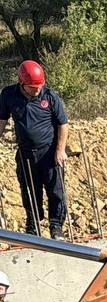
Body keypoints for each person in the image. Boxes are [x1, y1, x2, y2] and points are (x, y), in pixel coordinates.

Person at [0, 60, 69, 239]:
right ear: (22, 83)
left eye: (39, 86)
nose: (37, 89)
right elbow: (2, 120)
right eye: (32, 87)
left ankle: (56, 226)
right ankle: (33, 226)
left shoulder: (50, 97)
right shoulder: (9, 95)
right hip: (25, 154)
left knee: (56, 190)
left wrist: (60, 150)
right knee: (30, 190)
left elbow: (63, 124)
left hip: (49, 152)